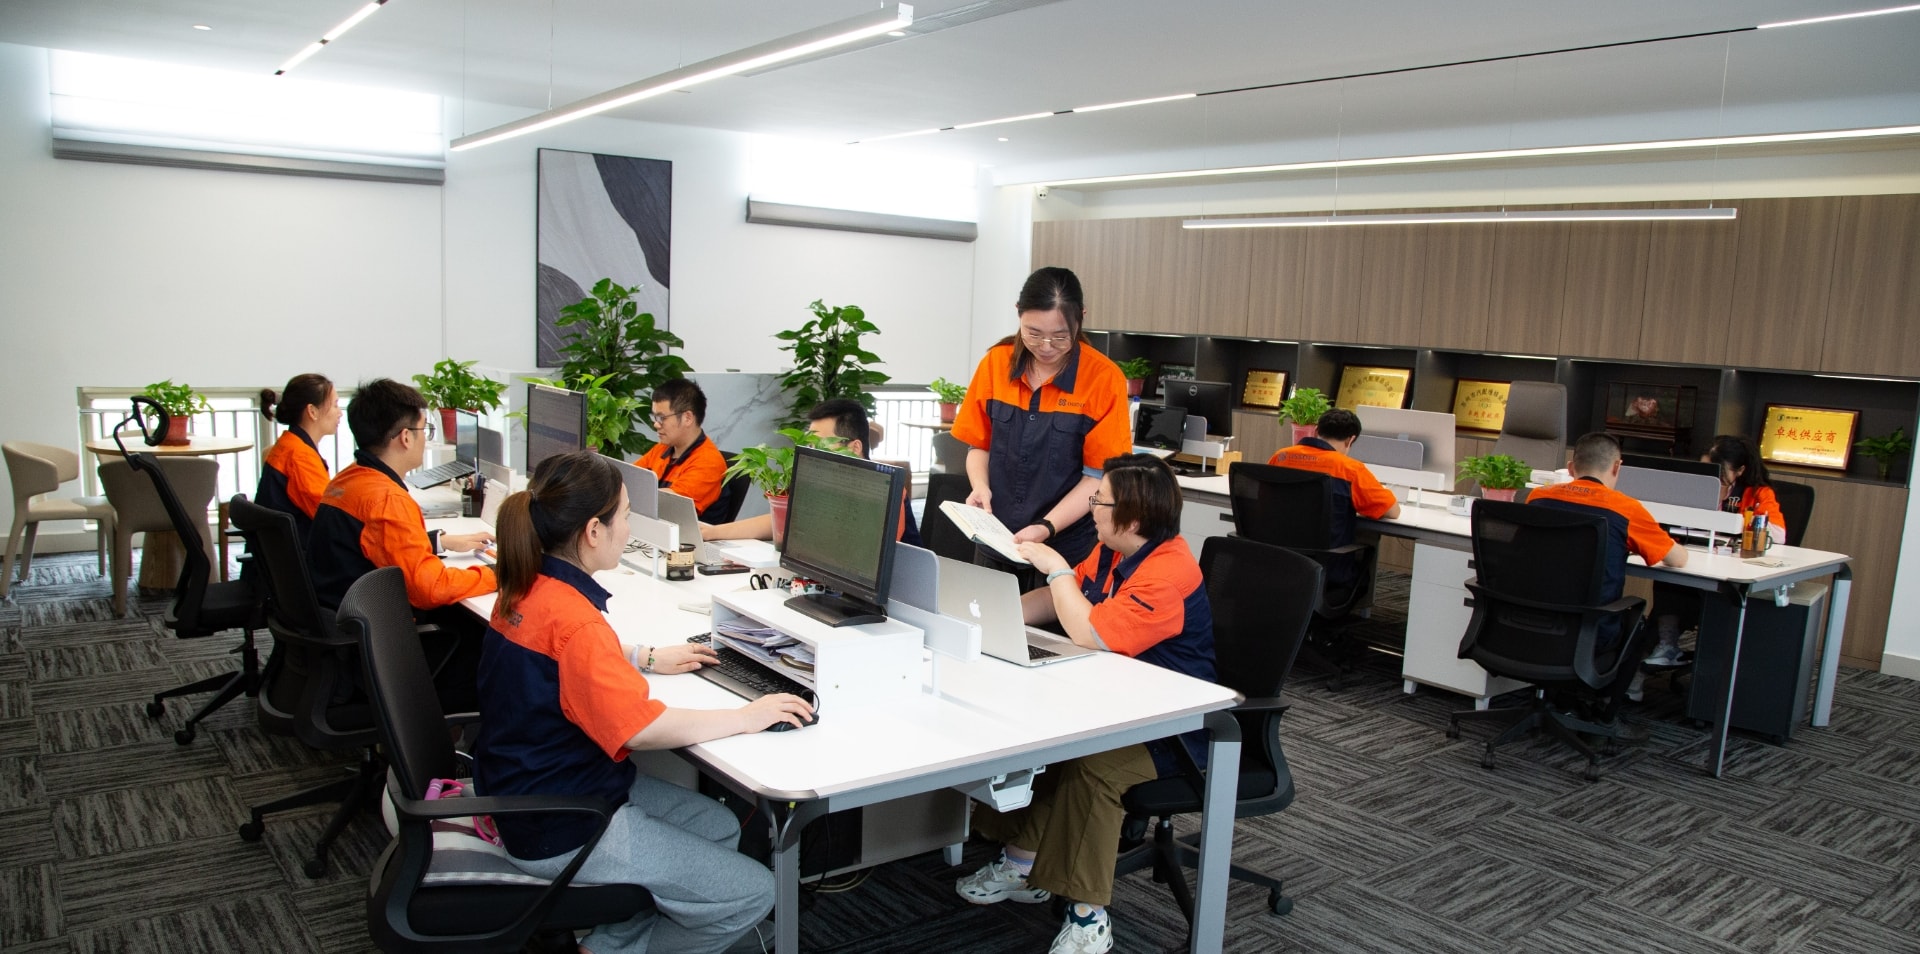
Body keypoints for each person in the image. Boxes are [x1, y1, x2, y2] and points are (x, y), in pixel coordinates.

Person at [474, 450, 810, 954]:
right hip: (562, 823)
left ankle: (609, 942)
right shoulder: (577, 622)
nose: (630, 529)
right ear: (593, 531)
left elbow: (560, 658)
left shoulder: (528, 586)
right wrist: (746, 716)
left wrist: (643, 656)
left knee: (719, 826)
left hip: (529, 790)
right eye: (627, 516)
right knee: (755, 892)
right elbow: (641, 729)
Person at [956, 454, 1214, 954]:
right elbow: (1062, 599)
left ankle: (1088, 915)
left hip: (1170, 727)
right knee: (1038, 741)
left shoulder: (1166, 574)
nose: (1092, 507)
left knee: (1093, 769)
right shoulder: (1115, 549)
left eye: (1100, 500)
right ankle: (1022, 863)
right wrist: (990, 616)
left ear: (1132, 519)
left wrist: (1054, 568)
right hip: (1115, 700)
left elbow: (1091, 631)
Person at [951, 267, 1131, 585]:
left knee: (1048, 619)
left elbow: (1096, 477)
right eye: (1033, 333)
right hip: (996, 539)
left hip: (1064, 549)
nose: (1046, 346)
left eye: (1060, 336)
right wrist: (980, 485)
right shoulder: (995, 363)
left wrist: (1047, 526)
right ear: (1018, 314)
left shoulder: (1104, 379)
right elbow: (979, 445)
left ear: (1080, 319)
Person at [1526, 433, 1688, 710]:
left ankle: (1560, 695)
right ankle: (1606, 709)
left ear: (1571, 467)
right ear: (1616, 467)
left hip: (1531, 620)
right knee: (1637, 619)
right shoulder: (1626, 509)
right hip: (1590, 632)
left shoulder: (1538, 497)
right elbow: (1677, 560)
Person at [307, 378, 496, 610]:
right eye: (425, 429)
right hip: (375, 622)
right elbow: (431, 588)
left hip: (336, 611)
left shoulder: (347, 479)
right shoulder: (388, 500)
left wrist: (438, 542)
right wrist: (498, 574)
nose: (425, 438)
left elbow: (378, 543)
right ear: (406, 437)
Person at [1643, 435, 1788, 669]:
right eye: (1705, 471)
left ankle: (1706, 661)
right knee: (1668, 577)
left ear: (1740, 470)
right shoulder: (1694, 488)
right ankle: (1666, 644)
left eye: (1719, 474)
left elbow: (1779, 534)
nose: (1711, 480)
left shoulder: (1757, 493)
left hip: (1732, 567)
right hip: (1694, 559)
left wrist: (1735, 522)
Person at [702, 398, 918, 544]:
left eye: (821, 444)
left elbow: (877, 557)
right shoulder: (823, 481)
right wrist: (713, 532)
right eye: (810, 444)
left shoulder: (886, 490)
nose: (812, 452)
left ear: (854, 447)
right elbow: (784, 519)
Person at [1266, 407, 1400, 583]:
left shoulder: (1281, 457)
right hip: (1327, 570)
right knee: (1368, 537)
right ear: (1351, 439)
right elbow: (1392, 511)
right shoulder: (1350, 469)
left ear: (1316, 431)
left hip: (1278, 561)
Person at [256, 373, 342, 542]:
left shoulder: (287, 444)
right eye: (335, 405)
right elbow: (329, 519)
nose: (340, 413)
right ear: (312, 411)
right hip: (302, 551)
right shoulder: (300, 457)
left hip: (278, 549)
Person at [633, 378, 728, 519]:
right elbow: (630, 477)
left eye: (662, 418)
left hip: (681, 530)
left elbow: (670, 505)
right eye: (654, 417)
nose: (656, 425)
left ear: (687, 418)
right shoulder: (662, 448)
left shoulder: (709, 462)